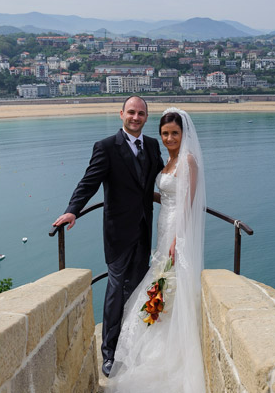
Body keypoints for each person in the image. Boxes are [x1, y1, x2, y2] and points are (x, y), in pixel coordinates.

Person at [52, 95, 164, 377]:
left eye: (141, 113)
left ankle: (134, 345)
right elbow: (89, 181)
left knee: (137, 289)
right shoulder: (105, 147)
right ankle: (109, 353)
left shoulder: (152, 145)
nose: (135, 117)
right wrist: (72, 210)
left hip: (144, 230)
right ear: (121, 114)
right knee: (115, 290)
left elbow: (161, 177)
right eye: (131, 112)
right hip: (117, 233)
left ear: (146, 117)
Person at [107, 108, 207, 392]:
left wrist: (178, 239)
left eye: (175, 133)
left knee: (170, 282)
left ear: (183, 134)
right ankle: (155, 330)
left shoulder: (188, 161)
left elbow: (187, 203)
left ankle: (169, 346)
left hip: (177, 230)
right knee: (161, 281)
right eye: (165, 133)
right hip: (163, 226)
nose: (169, 138)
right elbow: (166, 196)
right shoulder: (169, 160)